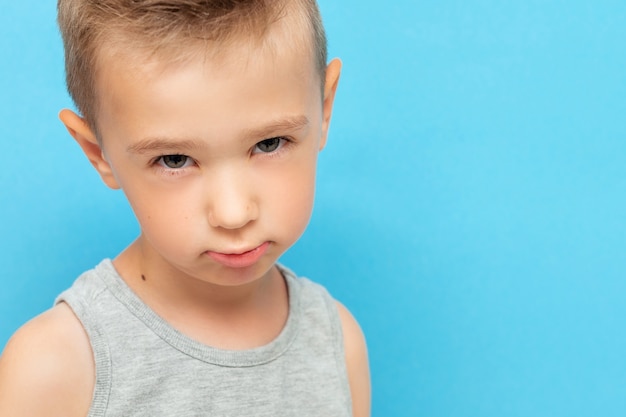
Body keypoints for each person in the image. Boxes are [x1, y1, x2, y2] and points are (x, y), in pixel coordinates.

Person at [0, 0, 371, 416]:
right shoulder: (57, 367)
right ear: (97, 152)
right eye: (174, 160)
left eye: (269, 144)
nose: (233, 213)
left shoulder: (337, 343)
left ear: (323, 108)